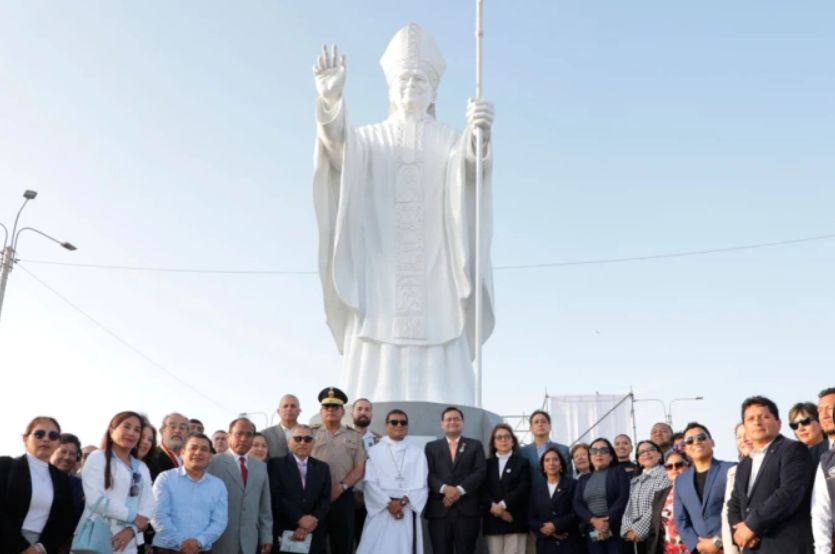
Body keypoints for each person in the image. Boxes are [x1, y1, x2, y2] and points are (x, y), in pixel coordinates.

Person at [312, 24, 496, 405]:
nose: (411, 85)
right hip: (381, 267)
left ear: (433, 92)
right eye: (404, 79)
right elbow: (337, 150)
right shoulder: (369, 137)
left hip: (436, 267)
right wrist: (331, 101)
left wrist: (478, 135)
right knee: (376, 333)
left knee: (441, 327)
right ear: (391, 89)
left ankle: (450, 407)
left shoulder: (448, 136)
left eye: (419, 79)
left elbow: (469, 170)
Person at [727, 395, 815, 553]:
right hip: (753, 547)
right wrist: (739, 533)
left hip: (785, 546)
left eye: (764, 417)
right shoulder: (743, 465)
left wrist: (752, 525)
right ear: (745, 427)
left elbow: (789, 492)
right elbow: (734, 504)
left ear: (779, 423)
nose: (757, 422)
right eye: (751, 419)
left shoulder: (792, 450)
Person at [78, 411, 153, 554]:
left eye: (137, 430)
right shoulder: (97, 457)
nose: (131, 433)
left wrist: (132, 529)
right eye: (126, 427)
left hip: (128, 543)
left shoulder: (142, 468)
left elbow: (149, 505)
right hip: (95, 539)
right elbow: (95, 500)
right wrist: (133, 517)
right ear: (112, 430)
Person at [356, 409, 429, 554]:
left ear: (407, 427)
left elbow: (423, 485)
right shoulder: (374, 451)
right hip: (381, 510)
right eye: (394, 422)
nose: (399, 425)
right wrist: (389, 504)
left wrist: (401, 503)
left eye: (403, 422)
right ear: (386, 425)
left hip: (406, 510)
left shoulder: (417, 453)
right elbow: (370, 483)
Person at [0, 416, 75, 554]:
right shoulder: (5, 466)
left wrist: (40, 547)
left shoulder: (62, 479)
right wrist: (22, 547)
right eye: (39, 434)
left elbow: (65, 519)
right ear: (25, 439)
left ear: (58, 442)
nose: (46, 439)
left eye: (53, 435)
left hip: (41, 547)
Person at [311, 387, 366, 554]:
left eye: (335, 407)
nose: (331, 411)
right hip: (315, 498)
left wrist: (342, 486)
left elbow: (360, 468)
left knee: (343, 545)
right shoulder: (310, 434)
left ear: (343, 412)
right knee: (315, 544)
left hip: (343, 497)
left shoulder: (355, 436)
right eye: (327, 407)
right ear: (321, 411)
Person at [425, 406, 487, 554]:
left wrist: (459, 490)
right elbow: (427, 473)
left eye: (456, 419)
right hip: (439, 511)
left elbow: (480, 471)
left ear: (462, 423)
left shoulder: (475, 445)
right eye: (448, 419)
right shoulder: (431, 447)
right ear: (442, 424)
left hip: (467, 512)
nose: (452, 422)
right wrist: (445, 489)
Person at [151, 433, 227, 553]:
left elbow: (220, 521)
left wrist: (199, 542)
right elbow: (158, 514)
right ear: (182, 452)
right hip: (166, 549)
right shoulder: (165, 478)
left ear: (210, 456)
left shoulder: (218, 485)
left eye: (204, 449)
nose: (198, 452)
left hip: (201, 549)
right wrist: (180, 543)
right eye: (193, 448)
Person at [207, 417, 272, 554]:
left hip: (250, 541)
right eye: (239, 434)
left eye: (249, 435)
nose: (243, 439)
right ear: (228, 436)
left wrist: (266, 536)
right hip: (219, 540)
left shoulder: (260, 467)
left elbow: (264, 508)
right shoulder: (213, 463)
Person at [268, 425, 331, 554]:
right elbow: (276, 496)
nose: (303, 442)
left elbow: (325, 498)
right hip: (285, 529)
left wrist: (309, 523)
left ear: (313, 443)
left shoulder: (323, 467)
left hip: (314, 531)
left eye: (308, 439)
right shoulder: (275, 464)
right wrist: (299, 518)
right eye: (297, 438)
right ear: (289, 442)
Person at [673, 423, 735, 554]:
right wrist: (697, 547)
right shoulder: (680, 481)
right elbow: (681, 519)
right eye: (689, 441)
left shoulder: (731, 469)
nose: (696, 442)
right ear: (685, 448)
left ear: (712, 442)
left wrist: (718, 542)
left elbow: (740, 510)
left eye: (701, 437)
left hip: (731, 546)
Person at [572, 438, 629, 554]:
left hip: (616, 527)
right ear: (590, 456)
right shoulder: (583, 479)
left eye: (604, 450)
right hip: (593, 529)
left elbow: (624, 497)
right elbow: (577, 504)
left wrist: (606, 521)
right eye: (594, 451)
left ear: (611, 456)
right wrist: (594, 521)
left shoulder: (618, 471)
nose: (598, 454)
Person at [481, 424, 531, 554]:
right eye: (499, 437)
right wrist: (495, 508)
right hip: (492, 521)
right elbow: (482, 489)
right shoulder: (486, 464)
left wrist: (503, 505)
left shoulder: (522, 463)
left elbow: (523, 487)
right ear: (494, 442)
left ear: (513, 441)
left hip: (515, 519)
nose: (503, 440)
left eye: (507, 437)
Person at [528, 446, 581, 554]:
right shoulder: (535, 488)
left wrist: (555, 526)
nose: (551, 463)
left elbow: (577, 512)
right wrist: (546, 529)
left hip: (569, 543)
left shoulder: (573, 484)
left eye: (555, 459)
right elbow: (530, 517)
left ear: (561, 464)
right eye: (547, 460)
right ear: (543, 466)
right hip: (546, 544)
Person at [620, 440, 670, 554]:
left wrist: (638, 530)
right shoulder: (635, 481)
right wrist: (628, 530)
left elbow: (657, 507)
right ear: (638, 460)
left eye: (650, 450)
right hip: (636, 537)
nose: (646, 454)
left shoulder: (666, 475)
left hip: (657, 533)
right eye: (642, 452)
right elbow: (629, 508)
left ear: (659, 454)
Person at [645, 451, 690, 554]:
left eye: (678, 465)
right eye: (669, 466)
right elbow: (654, 530)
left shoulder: (697, 491)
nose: (674, 469)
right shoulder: (660, 495)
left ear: (688, 467)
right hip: (668, 550)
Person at [721, 423, 753, 554]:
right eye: (739, 437)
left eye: (747, 435)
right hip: (742, 544)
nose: (743, 440)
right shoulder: (733, 472)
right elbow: (727, 513)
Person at [811, 387, 835, 553]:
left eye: (830, 408)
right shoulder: (825, 461)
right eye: (820, 410)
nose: (825, 415)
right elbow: (821, 513)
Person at [520, 411, 572, 485]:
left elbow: (568, 477)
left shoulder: (564, 450)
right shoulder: (522, 452)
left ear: (550, 426)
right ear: (530, 428)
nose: (540, 424)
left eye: (543, 421)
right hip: (529, 495)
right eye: (536, 422)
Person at [50, 432, 85, 523]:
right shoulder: (34, 477)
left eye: (72, 454)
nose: (67, 457)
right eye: (63, 452)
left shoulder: (80, 486)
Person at [148, 413, 189, 481]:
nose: (177, 431)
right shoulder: (152, 457)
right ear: (162, 431)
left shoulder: (188, 461)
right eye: (172, 427)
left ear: (187, 434)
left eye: (182, 428)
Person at [262, 394, 301, 459]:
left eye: (293, 406)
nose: (289, 409)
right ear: (278, 411)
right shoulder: (265, 435)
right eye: (285, 406)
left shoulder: (309, 434)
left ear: (299, 411)